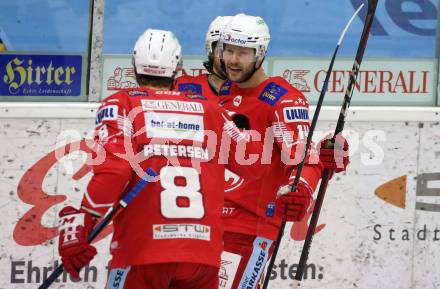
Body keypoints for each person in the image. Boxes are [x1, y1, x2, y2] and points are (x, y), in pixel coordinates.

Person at [56, 28, 264, 289]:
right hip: (202, 258)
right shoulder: (210, 109)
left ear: (134, 65)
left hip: (144, 253)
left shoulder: (123, 104)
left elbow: (114, 172)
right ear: (177, 67)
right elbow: (255, 165)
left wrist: (84, 218)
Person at [215, 13, 349, 289]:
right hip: (208, 224)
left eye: (243, 52)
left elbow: (304, 159)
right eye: (228, 50)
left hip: (250, 229)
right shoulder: (223, 90)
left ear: (261, 53)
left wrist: (300, 188)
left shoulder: (282, 99)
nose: (233, 59)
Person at [173, 16, 232, 99]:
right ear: (211, 51)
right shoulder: (181, 86)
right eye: (224, 50)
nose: (233, 58)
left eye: (240, 52)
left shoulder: (255, 94)